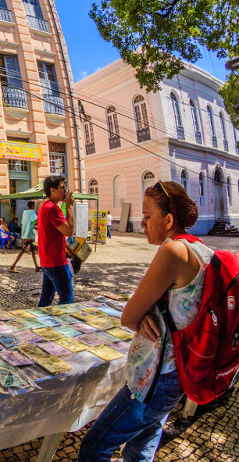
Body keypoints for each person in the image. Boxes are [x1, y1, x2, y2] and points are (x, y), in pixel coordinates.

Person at [78, 181, 206, 462]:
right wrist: (150, 311)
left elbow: (129, 316)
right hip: (177, 373)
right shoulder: (201, 251)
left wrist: (142, 313)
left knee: (94, 447)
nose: (143, 224)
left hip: (155, 378)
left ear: (169, 220)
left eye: (148, 217)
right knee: (141, 448)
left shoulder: (173, 251)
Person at [37, 176, 75, 306]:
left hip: (47, 260)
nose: (65, 190)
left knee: (46, 300)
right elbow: (69, 231)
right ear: (53, 190)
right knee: (67, 298)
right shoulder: (52, 208)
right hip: (56, 261)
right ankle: (62, 326)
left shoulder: (44, 206)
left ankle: (39, 323)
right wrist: (69, 207)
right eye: (62, 187)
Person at [9, 201, 40, 273]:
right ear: (33, 206)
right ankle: (12, 266)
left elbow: (23, 222)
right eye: (34, 205)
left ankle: (36, 266)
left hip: (25, 232)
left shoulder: (25, 212)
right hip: (29, 233)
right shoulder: (32, 212)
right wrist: (37, 226)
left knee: (32, 249)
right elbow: (36, 220)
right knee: (22, 250)